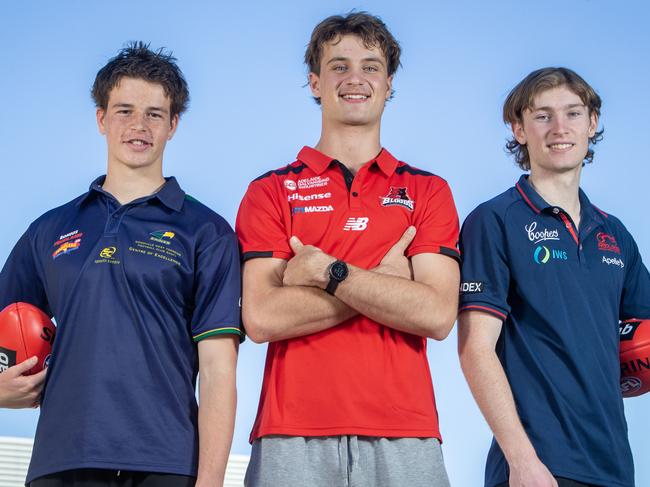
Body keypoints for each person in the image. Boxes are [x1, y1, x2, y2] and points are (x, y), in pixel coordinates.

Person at [0, 42, 243, 487]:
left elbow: (217, 370)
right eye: (124, 110)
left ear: (173, 125)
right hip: (63, 458)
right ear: (101, 119)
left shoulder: (206, 231)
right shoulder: (50, 228)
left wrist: (210, 483)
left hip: (166, 462)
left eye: (154, 113)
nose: (138, 126)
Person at [236, 12, 460, 487]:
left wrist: (328, 271)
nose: (355, 78)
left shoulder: (428, 190)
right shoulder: (271, 190)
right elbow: (262, 318)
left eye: (370, 66)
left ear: (389, 82)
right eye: (338, 66)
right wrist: (386, 285)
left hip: (406, 431)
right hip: (290, 431)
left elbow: (438, 314)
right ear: (315, 82)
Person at [457, 67, 650, 487]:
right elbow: (475, 349)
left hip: (615, 466)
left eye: (573, 113)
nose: (560, 128)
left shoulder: (614, 234)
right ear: (519, 129)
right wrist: (522, 462)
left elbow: (641, 335)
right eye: (542, 115)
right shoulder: (494, 220)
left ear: (592, 123)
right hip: (538, 469)